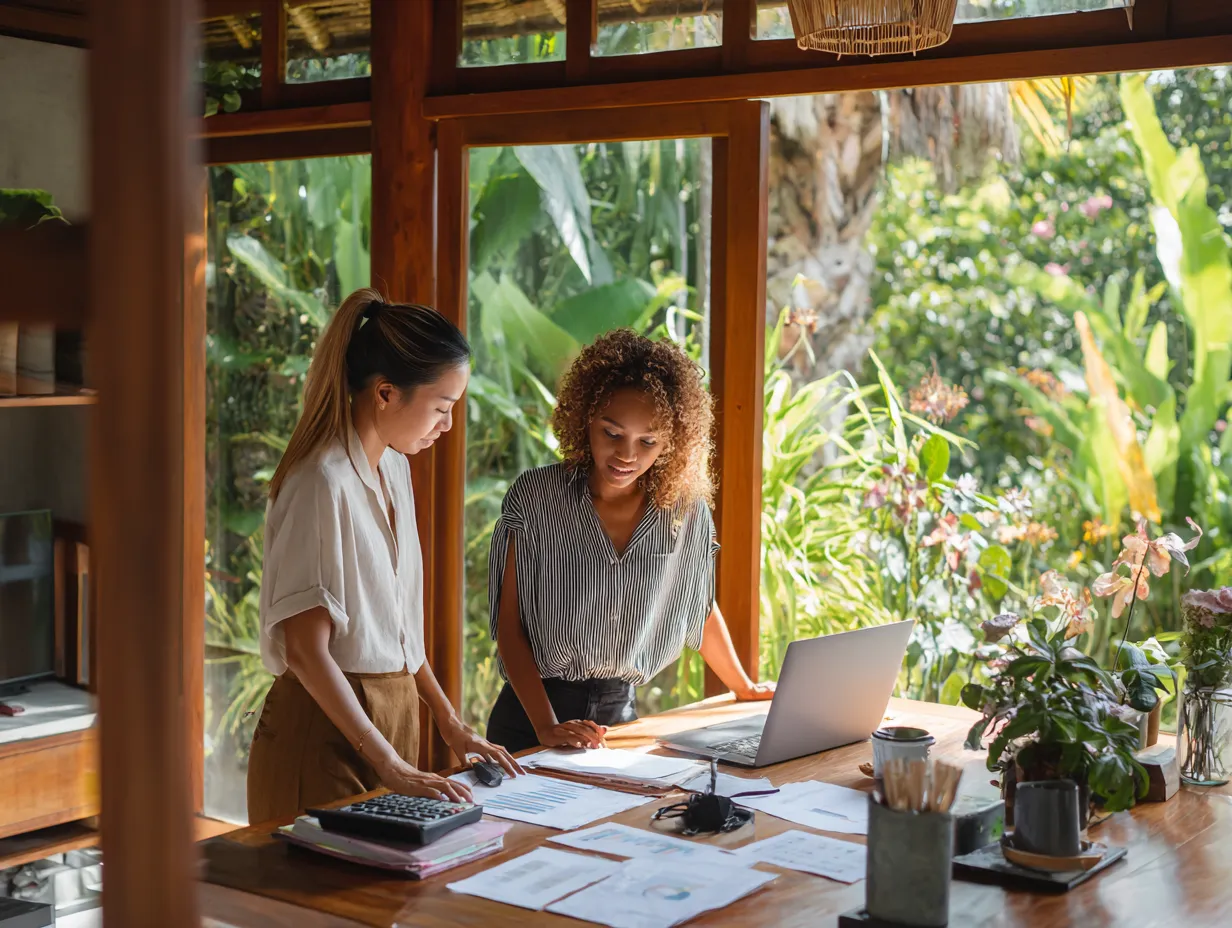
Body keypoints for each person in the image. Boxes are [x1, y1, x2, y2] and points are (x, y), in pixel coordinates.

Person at [247, 287, 519, 824]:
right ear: (387, 394)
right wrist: (388, 761)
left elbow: (398, 633)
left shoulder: (393, 470)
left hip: (390, 726)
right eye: (441, 408)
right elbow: (306, 651)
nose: (446, 425)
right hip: (324, 731)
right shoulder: (320, 483)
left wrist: (448, 721)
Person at [486, 329, 774, 754]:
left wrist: (744, 687)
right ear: (584, 418)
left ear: (671, 441)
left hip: (620, 723)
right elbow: (509, 630)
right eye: (612, 433)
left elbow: (696, 606)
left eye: (648, 441)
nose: (627, 455)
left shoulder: (685, 510)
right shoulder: (535, 496)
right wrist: (547, 727)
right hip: (530, 721)